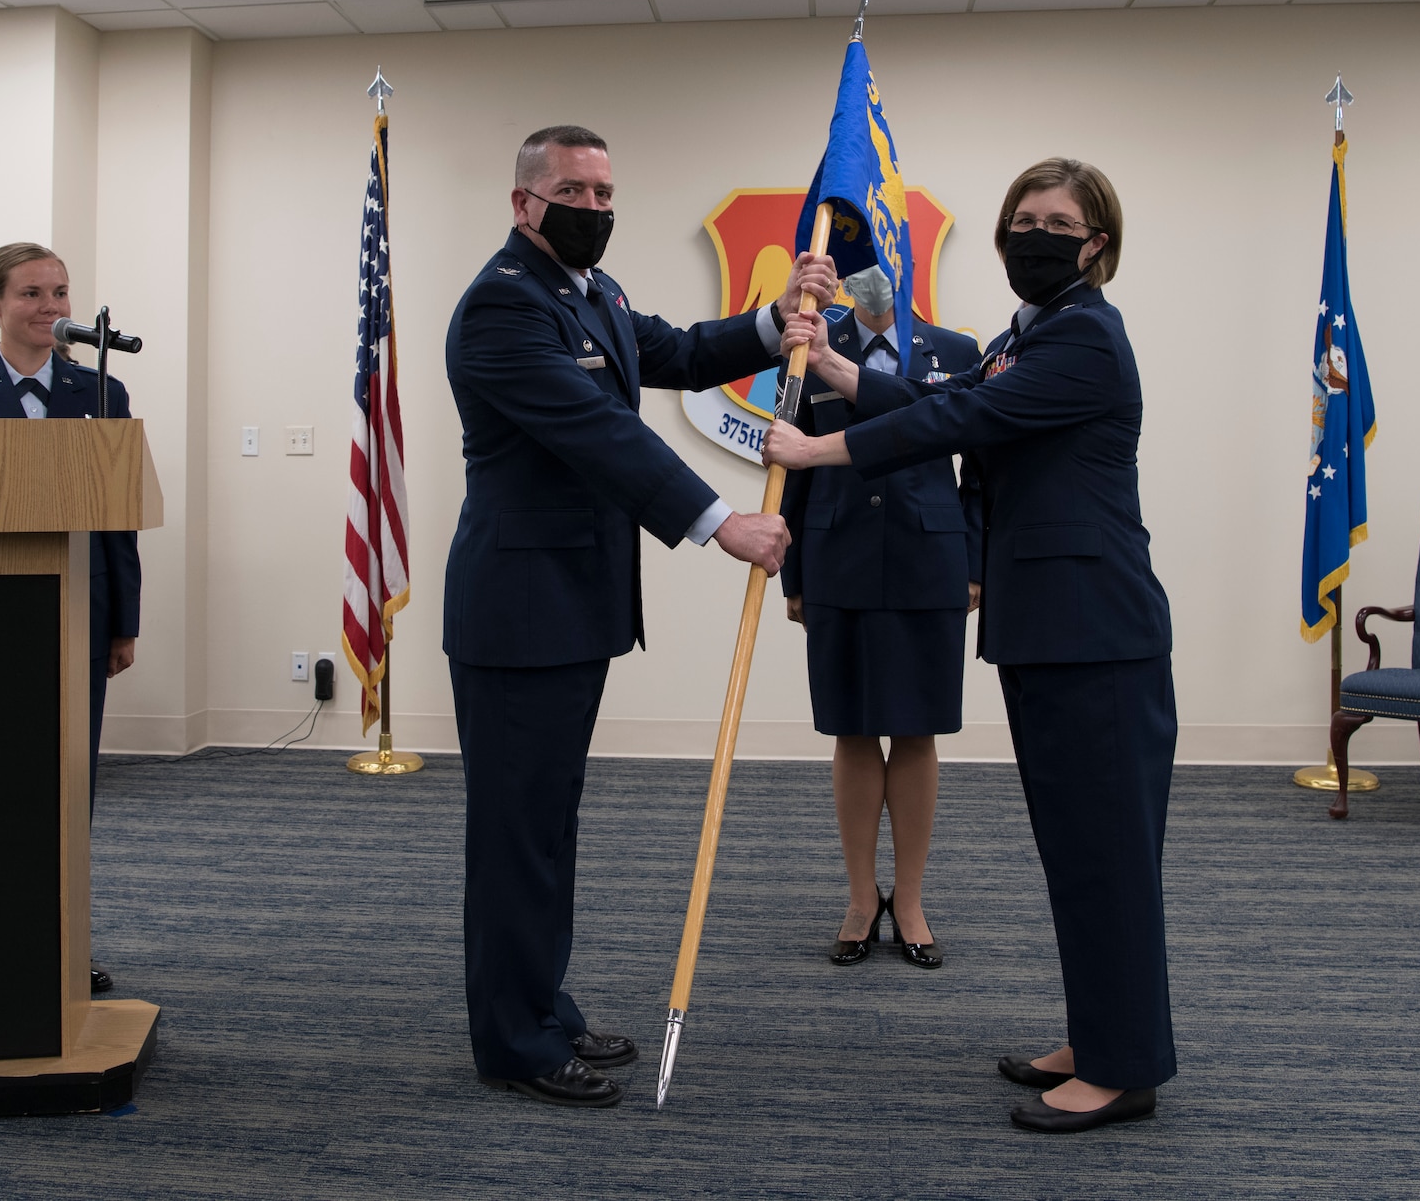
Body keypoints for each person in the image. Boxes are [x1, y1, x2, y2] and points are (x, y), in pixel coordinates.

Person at [764, 158, 1176, 1134]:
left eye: (1055, 221)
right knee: (1074, 852)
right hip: (1047, 628)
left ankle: (1125, 1070)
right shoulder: (1019, 338)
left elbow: (965, 418)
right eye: (1019, 218)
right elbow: (931, 401)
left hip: (1097, 632)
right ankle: (1098, 1033)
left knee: (1107, 854)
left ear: (1096, 245)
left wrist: (819, 447)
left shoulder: (1084, 340)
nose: (1031, 233)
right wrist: (830, 372)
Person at [445, 124, 835, 1109]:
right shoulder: (501, 307)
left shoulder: (595, 295)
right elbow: (597, 435)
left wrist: (771, 321)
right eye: (574, 192)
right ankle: (512, 1043)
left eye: (607, 194)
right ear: (523, 201)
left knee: (548, 823)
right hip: (517, 612)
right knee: (515, 833)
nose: (595, 210)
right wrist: (718, 523)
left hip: (572, 608)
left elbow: (676, 351)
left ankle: (543, 1005)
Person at [0, 241, 140, 997]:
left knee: (70, 782)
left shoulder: (101, 392)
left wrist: (123, 621)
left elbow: (118, 520)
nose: (51, 308)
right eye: (32, 293)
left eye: (61, 292)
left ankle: (66, 942)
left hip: (81, 611)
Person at [776, 265, 981, 970]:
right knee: (853, 726)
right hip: (839, 556)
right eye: (858, 268)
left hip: (930, 557)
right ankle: (862, 898)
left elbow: (979, 467)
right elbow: (793, 461)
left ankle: (913, 899)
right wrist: (793, 570)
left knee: (917, 729)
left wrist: (976, 560)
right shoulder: (810, 344)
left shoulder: (955, 350)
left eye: (884, 266)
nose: (871, 281)